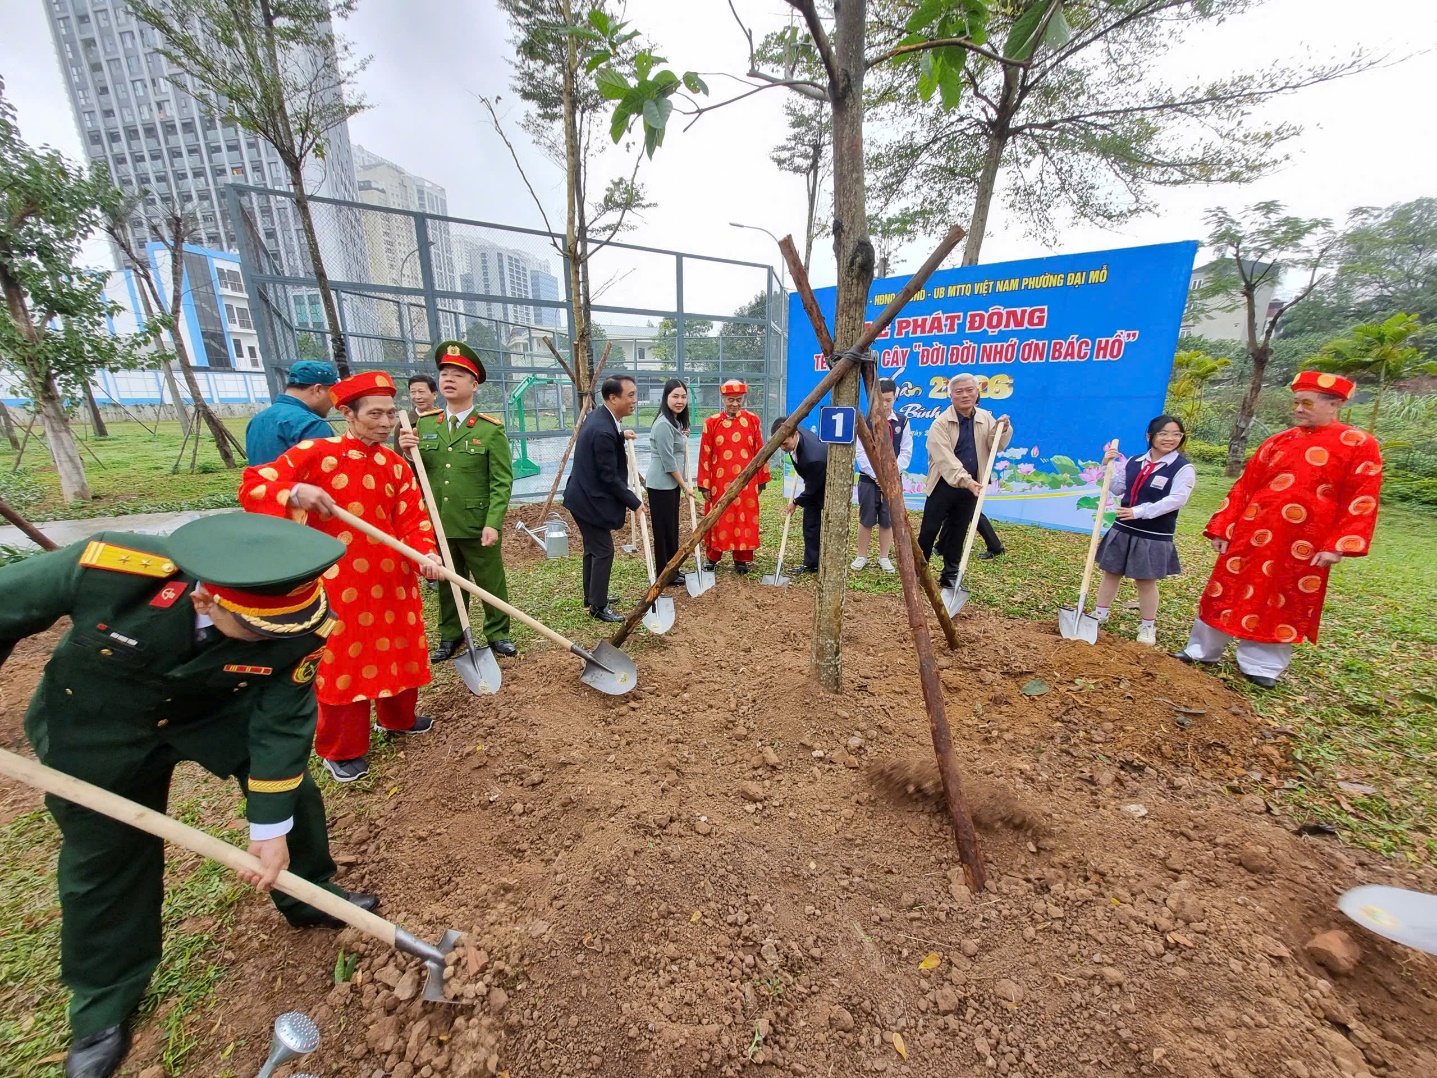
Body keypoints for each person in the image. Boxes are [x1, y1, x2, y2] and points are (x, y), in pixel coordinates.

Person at [0, 514, 378, 1078]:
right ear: (207, 602)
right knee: (106, 858)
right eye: (260, 632)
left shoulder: (299, 620)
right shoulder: (111, 566)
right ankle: (104, 1004)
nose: (286, 639)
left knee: (292, 799)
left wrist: (267, 831)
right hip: (98, 726)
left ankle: (309, 893)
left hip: (219, 710)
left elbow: (282, 724)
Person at [239, 370, 445, 782]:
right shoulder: (315, 453)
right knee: (345, 661)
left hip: (391, 580)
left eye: (391, 414)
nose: (386, 423)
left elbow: (413, 518)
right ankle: (342, 748)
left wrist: (425, 552)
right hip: (337, 583)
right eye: (375, 414)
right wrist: (296, 493)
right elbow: (254, 485)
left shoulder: (396, 467)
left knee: (400, 648)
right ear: (348, 413)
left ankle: (398, 719)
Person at [1175, 371, 1383, 687]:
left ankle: (1261, 665)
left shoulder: (1358, 444)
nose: (1298, 409)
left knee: (1284, 596)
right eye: (1296, 402)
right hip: (1252, 532)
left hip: (1305, 542)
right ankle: (1201, 650)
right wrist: (1224, 527)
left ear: (1334, 404)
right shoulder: (1278, 441)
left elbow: (1362, 497)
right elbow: (1246, 486)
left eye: (1307, 402)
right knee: (1225, 588)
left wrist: (1337, 544)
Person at [399, 342, 516, 660]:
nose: (449, 379)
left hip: (478, 524)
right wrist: (405, 452)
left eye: (459, 374)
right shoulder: (423, 425)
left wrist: (493, 522)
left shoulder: (490, 431)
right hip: (439, 522)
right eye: (444, 373)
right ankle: (451, 635)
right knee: (448, 583)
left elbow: (501, 481)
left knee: (490, 581)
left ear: (474, 384)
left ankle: (498, 633)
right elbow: (414, 475)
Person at [1089, 416, 1196, 647]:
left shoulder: (1182, 468)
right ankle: (1099, 613)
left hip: (1154, 534)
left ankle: (1148, 626)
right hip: (1123, 528)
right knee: (1111, 572)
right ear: (1150, 437)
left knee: (1145, 581)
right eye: (1164, 433)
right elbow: (1117, 487)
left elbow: (1177, 499)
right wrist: (1106, 464)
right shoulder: (1136, 461)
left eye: (1176, 434)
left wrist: (1140, 512)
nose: (1170, 439)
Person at [917, 373, 1012, 587]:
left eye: (969, 390)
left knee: (959, 531)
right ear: (950, 396)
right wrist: (965, 480)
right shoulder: (940, 424)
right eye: (959, 392)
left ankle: (950, 575)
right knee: (929, 530)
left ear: (977, 393)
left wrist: (1003, 429)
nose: (965, 395)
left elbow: (996, 444)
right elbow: (945, 459)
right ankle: (919, 571)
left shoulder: (985, 417)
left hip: (972, 486)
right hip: (943, 484)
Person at [564, 375, 644, 621]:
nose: (635, 400)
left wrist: (621, 436)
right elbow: (609, 477)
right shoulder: (603, 430)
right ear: (613, 398)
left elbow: (606, 441)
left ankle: (592, 595)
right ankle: (598, 607)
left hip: (580, 494)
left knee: (593, 548)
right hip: (587, 499)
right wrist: (635, 502)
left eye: (634, 394)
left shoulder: (602, 418)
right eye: (630, 395)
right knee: (604, 550)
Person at [696, 379, 770, 574]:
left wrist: (761, 478)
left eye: (738, 400)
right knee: (717, 517)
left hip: (746, 483)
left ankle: (741, 560)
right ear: (723, 399)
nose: (735, 404)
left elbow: (759, 450)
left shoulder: (753, 420)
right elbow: (705, 454)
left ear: (743, 399)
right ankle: (712, 557)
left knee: (743, 519)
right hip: (719, 483)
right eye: (731, 400)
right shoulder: (711, 423)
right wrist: (704, 484)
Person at [852, 377, 913, 574]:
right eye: (881, 400)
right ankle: (862, 555)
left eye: (889, 400)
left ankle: (884, 557)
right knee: (866, 517)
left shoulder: (902, 422)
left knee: (888, 518)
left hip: (893, 481)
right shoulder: (865, 422)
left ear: (895, 398)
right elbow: (860, 452)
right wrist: (876, 475)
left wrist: (890, 475)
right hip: (869, 479)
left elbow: (906, 452)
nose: (885, 405)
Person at [645, 378, 694, 586]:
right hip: (661, 485)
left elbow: (675, 445)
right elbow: (668, 461)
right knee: (663, 530)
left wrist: (682, 437)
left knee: (672, 528)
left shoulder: (674, 422)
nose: (680, 401)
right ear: (666, 398)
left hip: (671, 485)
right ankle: (663, 574)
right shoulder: (663, 425)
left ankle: (673, 570)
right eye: (675, 396)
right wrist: (685, 485)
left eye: (683, 396)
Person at [245, 360, 338, 465]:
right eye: (333, 394)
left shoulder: (257, 420)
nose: (334, 402)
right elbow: (327, 474)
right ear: (318, 390)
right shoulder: (312, 425)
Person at [773, 417, 828, 574]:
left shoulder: (812, 458)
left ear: (795, 435)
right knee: (810, 524)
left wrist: (796, 502)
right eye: (779, 444)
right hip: (814, 477)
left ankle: (827, 563)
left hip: (827, 482)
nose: (783, 448)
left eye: (785, 444)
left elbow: (812, 488)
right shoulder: (790, 431)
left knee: (827, 522)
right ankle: (812, 563)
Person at [393, 372, 438, 454]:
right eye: (413, 392)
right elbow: (399, 458)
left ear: (434, 394)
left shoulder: (446, 420)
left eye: (421, 392)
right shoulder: (403, 425)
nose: (417, 397)